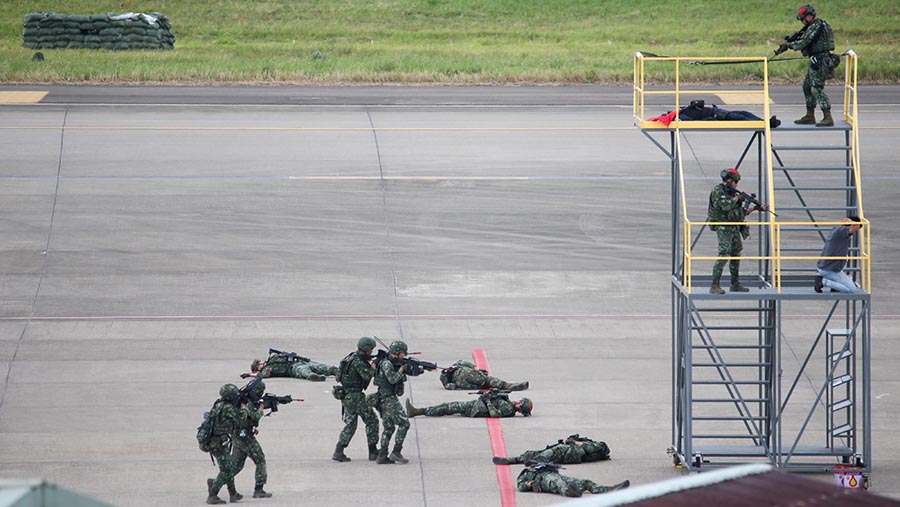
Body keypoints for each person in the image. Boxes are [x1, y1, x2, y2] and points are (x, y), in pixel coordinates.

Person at [775, 5, 838, 127]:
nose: (803, 21)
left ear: (810, 16)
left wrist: (788, 45)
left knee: (816, 88)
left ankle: (828, 117)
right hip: (815, 60)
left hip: (821, 61)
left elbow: (804, 42)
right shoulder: (812, 27)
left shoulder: (816, 26)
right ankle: (810, 115)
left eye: (804, 18)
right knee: (807, 86)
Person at [707, 168, 766, 294]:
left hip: (733, 226)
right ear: (728, 180)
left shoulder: (732, 192)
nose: (736, 184)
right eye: (735, 181)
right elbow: (726, 206)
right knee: (724, 253)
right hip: (723, 227)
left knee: (736, 253)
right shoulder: (718, 191)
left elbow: (739, 213)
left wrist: (755, 208)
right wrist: (738, 198)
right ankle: (714, 285)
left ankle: (735, 283)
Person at [331, 337, 380, 462]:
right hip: (355, 396)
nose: (371, 351)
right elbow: (367, 375)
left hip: (347, 395)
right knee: (372, 420)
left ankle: (339, 450)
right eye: (370, 349)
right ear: (365, 349)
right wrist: (374, 365)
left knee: (351, 424)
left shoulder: (350, 357)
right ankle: (373, 451)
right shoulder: (358, 362)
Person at [371, 340, 416, 464]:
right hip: (389, 399)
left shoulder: (388, 362)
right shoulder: (387, 364)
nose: (404, 355)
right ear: (397, 353)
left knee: (389, 428)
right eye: (402, 353)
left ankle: (382, 455)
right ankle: (396, 452)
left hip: (384, 399)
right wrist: (401, 370)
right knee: (404, 424)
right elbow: (392, 379)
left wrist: (420, 369)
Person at [232, 380, 273, 499]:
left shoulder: (242, 400)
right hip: (246, 438)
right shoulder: (247, 403)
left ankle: (216, 484)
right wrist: (261, 407)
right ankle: (259, 489)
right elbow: (254, 416)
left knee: (236, 466)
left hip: (239, 436)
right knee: (260, 460)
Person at [205, 384, 243, 505]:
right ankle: (213, 494)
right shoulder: (228, 408)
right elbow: (240, 419)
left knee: (228, 467)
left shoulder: (218, 404)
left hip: (216, 441)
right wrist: (245, 407)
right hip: (218, 443)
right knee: (226, 470)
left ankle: (233, 493)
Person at [515, 461, 630, 498]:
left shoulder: (544, 466)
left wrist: (552, 467)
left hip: (552, 475)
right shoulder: (526, 473)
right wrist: (530, 484)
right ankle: (569, 492)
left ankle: (607, 489)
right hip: (544, 480)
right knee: (559, 483)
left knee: (584, 482)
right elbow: (520, 485)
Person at [815, 216, 863, 293]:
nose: (854, 233)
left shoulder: (838, 230)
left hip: (830, 268)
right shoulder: (841, 232)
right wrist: (851, 222)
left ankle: (836, 285)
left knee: (845, 258)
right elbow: (855, 227)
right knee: (851, 289)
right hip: (829, 270)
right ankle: (824, 282)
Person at [493, 434, 610, 465]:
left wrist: (574, 442)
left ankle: (536, 461)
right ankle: (515, 459)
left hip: (572, 453)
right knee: (536, 452)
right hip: (569, 453)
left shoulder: (599, 446)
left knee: (552, 452)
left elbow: (587, 448)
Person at [405, 390, 533, 418]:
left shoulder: (508, 409)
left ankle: (419, 411)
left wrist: (488, 400)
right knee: (448, 407)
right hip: (477, 405)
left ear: (521, 408)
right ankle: (420, 411)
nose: (518, 401)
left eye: (520, 403)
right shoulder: (509, 404)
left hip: (475, 408)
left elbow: (494, 414)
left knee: (447, 407)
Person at [241, 349, 338, 382]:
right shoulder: (267, 369)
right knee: (303, 370)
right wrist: (249, 375)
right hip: (293, 368)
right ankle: (312, 376)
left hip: (299, 361)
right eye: (259, 364)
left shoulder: (274, 357)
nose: (261, 362)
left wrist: (290, 355)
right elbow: (263, 375)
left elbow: (288, 355)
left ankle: (336, 371)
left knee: (321, 367)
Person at [439, 360, 529, 391]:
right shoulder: (456, 367)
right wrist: (475, 368)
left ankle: (508, 386)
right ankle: (509, 386)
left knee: (487, 381)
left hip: (468, 380)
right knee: (487, 381)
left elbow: (452, 386)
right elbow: (461, 362)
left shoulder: (450, 380)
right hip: (470, 376)